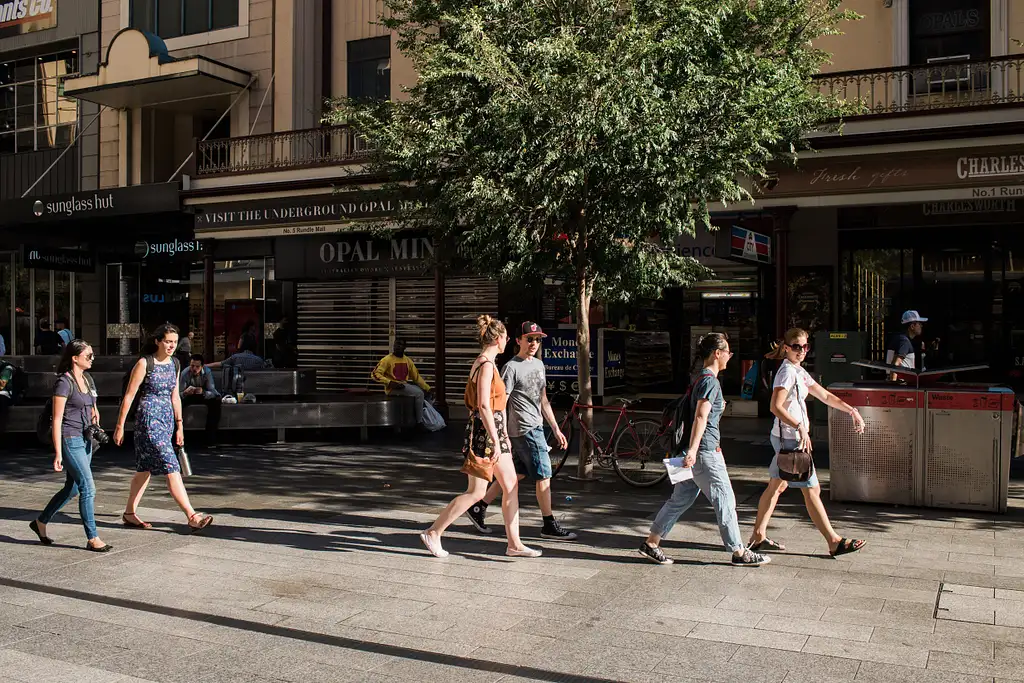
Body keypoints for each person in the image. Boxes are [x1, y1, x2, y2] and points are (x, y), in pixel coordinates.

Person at [638, 333, 770, 567]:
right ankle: (739, 552)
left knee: (680, 499)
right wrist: (693, 450)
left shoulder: (700, 379)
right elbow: (700, 416)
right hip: (705, 452)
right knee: (725, 499)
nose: (730, 356)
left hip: (694, 452)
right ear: (717, 354)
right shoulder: (710, 381)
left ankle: (651, 543)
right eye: (727, 351)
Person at [420, 315, 540, 559]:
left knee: (511, 485)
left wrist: (501, 434)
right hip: (486, 435)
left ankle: (514, 544)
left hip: (493, 432)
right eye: (506, 337)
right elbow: (484, 406)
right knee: (475, 492)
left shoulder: (487, 363)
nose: (508, 342)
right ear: (498, 339)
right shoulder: (485, 365)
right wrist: (496, 439)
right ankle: (433, 532)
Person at [747, 328, 866, 558]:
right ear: (786, 347)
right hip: (791, 439)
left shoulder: (798, 371)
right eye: (797, 346)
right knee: (811, 489)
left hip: (789, 437)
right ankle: (834, 542)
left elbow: (825, 395)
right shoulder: (787, 373)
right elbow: (775, 406)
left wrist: (852, 411)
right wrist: (800, 426)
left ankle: (758, 536)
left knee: (778, 486)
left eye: (805, 346)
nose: (802, 351)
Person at [465, 322, 577, 540]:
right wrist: (502, 433)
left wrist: (555, 428)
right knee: (544, 475)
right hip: (523, 429)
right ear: (518, 341)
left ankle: (478, 507)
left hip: (536, 426)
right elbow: (501, 402)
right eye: (529, 339)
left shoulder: (539, 365)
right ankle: (548, 524)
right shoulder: (511, 367)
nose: (534, 343)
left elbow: (542, 399)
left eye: (537, 339)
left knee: (516, 474)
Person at [114, 323, 213, 532]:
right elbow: (129, 396)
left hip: (167, 419)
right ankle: (192, 515)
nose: (171, 346)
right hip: (148, 420)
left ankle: (129, 512)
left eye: (175, 342)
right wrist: (120, 426)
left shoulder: (175, 363)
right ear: (158, 341)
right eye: (168, 341)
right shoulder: (144, 363)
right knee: (171, 465)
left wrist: (179, 425)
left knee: (145, 468)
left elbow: (175, 395)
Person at [31, 340, 112, 552]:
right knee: (88, 487)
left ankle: (40, 522)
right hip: (69, 438)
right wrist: (58, 452)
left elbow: (94, 408)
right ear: (75, 358)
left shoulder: (88, 379)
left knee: (72, 488)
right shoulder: (64, 383)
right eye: (88, 356)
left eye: (92, 355)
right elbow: (57, 419)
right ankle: (92, 537)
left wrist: (96, 421)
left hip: (86, 439)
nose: (92, 359)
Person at [371, 337, 432, 422]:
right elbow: (375, 374)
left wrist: (427, 388)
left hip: (403, 386)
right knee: (419, 394)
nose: (398, 347)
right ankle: (420, 421)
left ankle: (429, 418)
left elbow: (416, 377)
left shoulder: (407, 360)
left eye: (400, 345)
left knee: (425, 393)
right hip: (392, 389)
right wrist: (389, 382)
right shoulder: (387, 359)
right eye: (396, 344)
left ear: (404, 347)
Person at [179, 354, 221, 443]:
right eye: (192, 366)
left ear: (202, 366)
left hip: (202, 395)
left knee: (216, 403)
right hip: (188, 396)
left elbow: (212, 392)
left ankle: (210, 438)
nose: (194, 369)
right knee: (179, 404)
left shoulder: (207, 372)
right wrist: (185, 392)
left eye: (197, 366)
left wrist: (203, 392)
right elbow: (179, 394)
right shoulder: (185, 373)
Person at [885, 310, 928, 381]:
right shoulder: (904, 341)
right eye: (919, 323)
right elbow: (895, 364)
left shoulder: (899, 338)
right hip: (902, 384)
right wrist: (894, 386)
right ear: (912, 326)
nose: (921, 326)